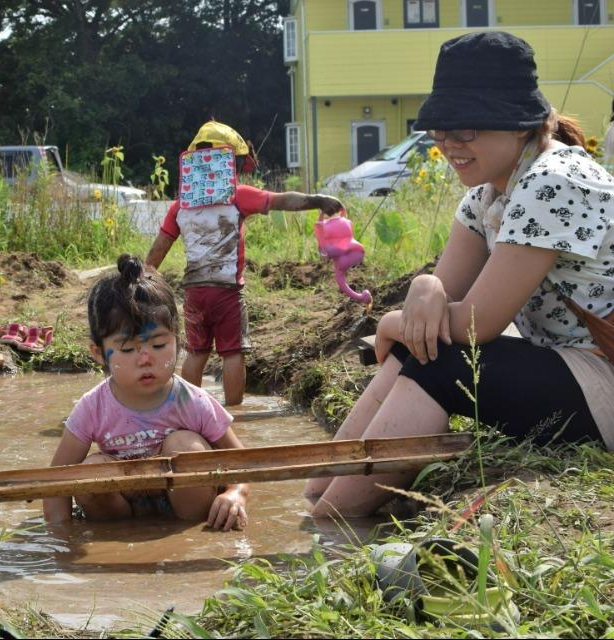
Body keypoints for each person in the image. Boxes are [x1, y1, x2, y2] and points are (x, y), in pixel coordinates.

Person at [305, 31, 614, 518]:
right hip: (567, 365)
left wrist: (390, 323)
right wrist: (424, 287)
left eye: (464, 129)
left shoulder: (555, 181)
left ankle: (331, 525)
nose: (448, 144)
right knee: (422, 341)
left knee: (438, 359)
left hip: (604, 373)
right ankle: (316, 492)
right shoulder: (488, 196)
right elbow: (441, 299)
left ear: (518, 124)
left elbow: (476, 324)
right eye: (440, 130)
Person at [42, 254, 248, 530]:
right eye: (127, 350)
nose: (145, 359)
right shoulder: (92, 407)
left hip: (188, 507)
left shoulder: (192, 401)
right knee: (90, 470)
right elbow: (56, 480)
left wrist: (236, 493)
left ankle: (191, 531)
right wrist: (61, 539)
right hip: (121, 511)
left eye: (159, 345)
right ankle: (117, 536)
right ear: (98, 353)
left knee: (185, 445)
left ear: (178, 339)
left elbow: (243, 462)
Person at [145, 120, 343, 406]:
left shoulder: (180, 206)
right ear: (232, 164)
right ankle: (233, 414)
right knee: (233, 352)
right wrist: (317, 200)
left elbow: (158, 250)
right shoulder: (237, 195)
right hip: (226, 291)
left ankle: (186, 410)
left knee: (197, 351)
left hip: (194, 292)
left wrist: (143, 278)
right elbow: (282, 201)